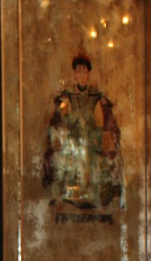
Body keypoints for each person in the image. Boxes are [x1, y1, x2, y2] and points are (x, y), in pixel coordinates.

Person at [41, 51, 123, 211]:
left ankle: (96, 196)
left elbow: (105, 119)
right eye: (78, 71)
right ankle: (67, 196)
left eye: (84, 71)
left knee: (97, 161)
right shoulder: (68, 95)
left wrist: (97, 130)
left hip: (92, 138)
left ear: (88, 74)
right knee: (66, 160)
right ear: (75, 75)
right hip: (73, 138)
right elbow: (60, 118)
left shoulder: (96, 96)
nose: (82, 75)